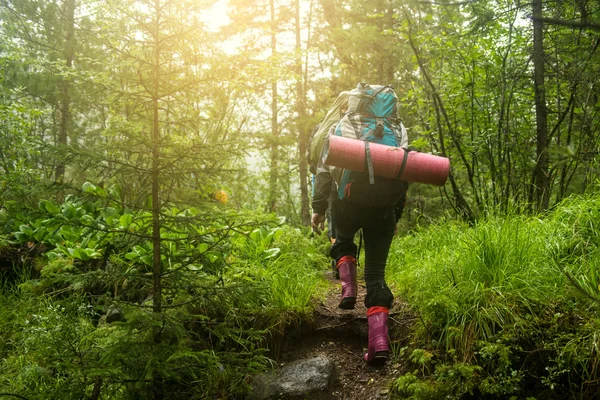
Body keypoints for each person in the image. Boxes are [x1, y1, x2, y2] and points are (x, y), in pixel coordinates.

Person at [311, 153, 407, 365]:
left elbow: (324, 171)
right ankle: (379, 343)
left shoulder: (341, 129)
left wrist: (318, 208)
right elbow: (403, 173)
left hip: (347, 203)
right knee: (376, 276)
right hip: (384, 209)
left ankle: (349, 289)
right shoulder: (395, 128)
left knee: (343, 241)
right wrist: (395, 216)